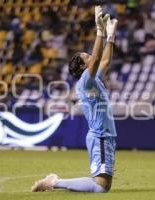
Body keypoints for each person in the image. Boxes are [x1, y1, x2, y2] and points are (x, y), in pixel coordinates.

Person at [31, 6, 118, 193]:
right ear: (82, 67)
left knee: (105, 185)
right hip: (100, 135)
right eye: (86, 56)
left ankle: (56, 182)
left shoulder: (91, 79)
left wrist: (110, 36)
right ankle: (54, 182)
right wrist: (100, 31)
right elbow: (96, 60)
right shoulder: (86, 80)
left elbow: (104, 62)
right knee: (100, 188)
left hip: (105, 135)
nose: (89, 55)